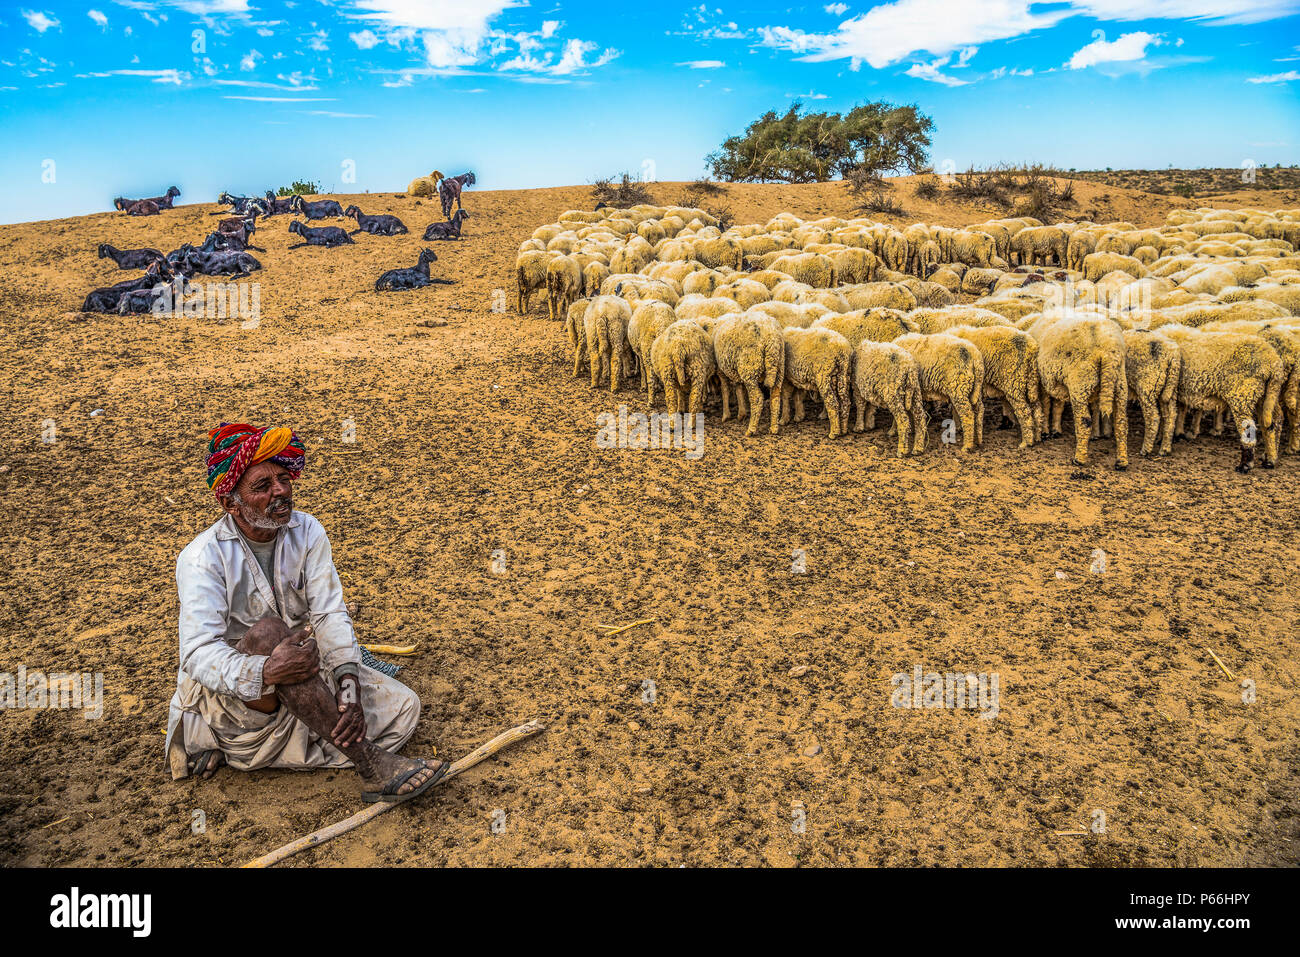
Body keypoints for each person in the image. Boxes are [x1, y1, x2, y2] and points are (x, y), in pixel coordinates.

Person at [164, 422, 448, 803]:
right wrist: (266, 670)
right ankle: (370, 763)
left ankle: (255, 749)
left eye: (283, 479)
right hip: (245, 702)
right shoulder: (202, 558)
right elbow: (197, 654)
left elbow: (330, 614)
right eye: (262, 486)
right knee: (268, 634)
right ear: (231, 503)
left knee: (404, 710)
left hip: (303, 678)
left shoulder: (308, 531)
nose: (279, 491)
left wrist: (347, 686)